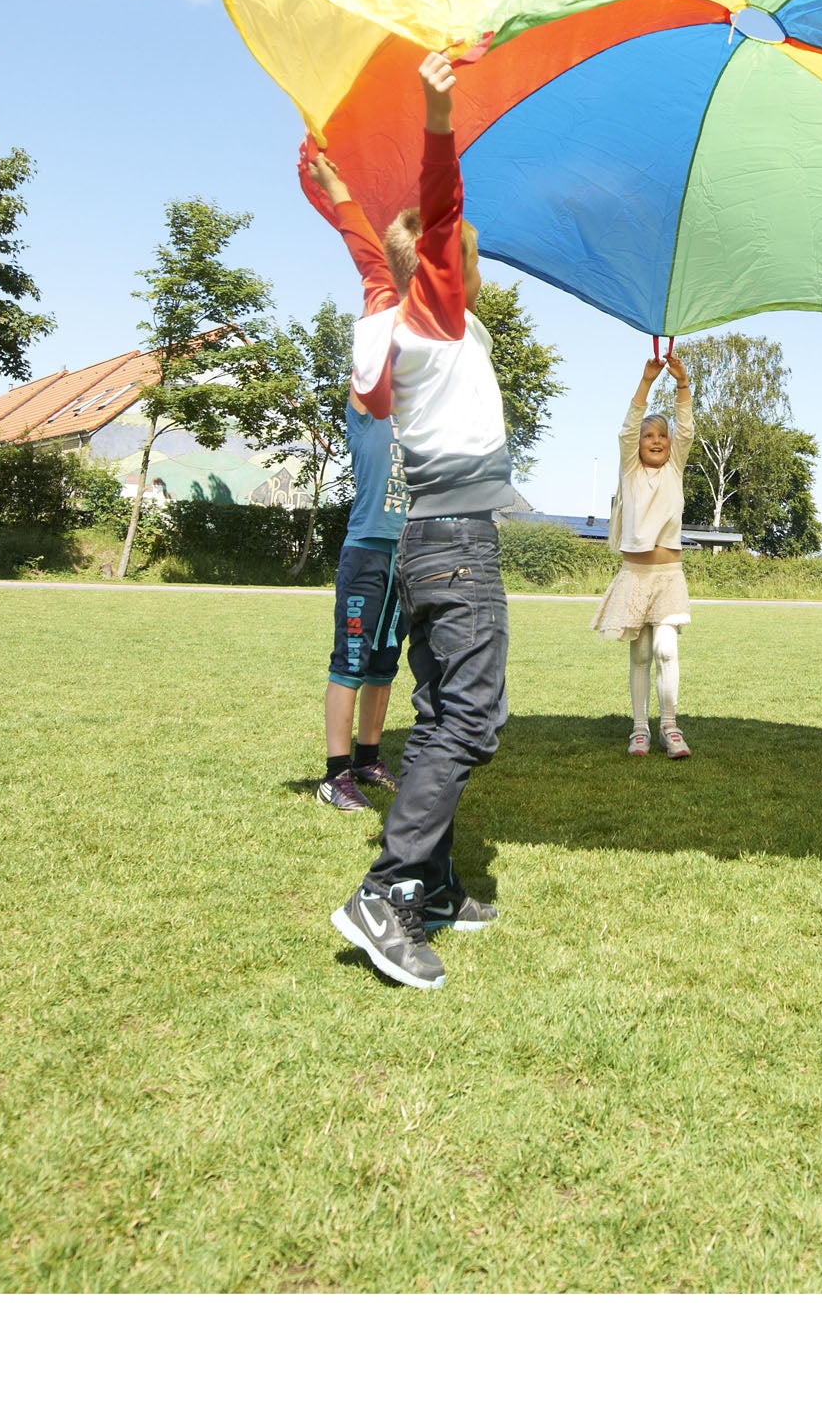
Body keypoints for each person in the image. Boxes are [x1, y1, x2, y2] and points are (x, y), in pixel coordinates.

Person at [326, 51, 514, 992]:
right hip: (456, 545)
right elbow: (435, 215)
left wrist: (339, 205)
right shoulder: (437, 321)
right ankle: (390, 890)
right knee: (473, 717)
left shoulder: (402, 318)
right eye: (461, 256)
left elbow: (379, 259)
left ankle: (434, 886)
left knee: (441, 707)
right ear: (451, 270)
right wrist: (438, 111)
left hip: (427, 542)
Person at [296, 145, 410, 814]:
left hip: (406, 556)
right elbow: (375, 270)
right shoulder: (367, 405)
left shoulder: (416, 415)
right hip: (368, 552)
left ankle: (368, 758)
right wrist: (339, 184)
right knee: (350, 659)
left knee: (384, 665)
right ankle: (333, 771)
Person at [592, 349, 695, 758]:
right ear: (637, 446)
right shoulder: (630, 471)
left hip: (669, 577)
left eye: (662, 437)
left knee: (665, 649)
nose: (656, 441)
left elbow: (685, 427)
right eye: (649, 437)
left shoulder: (674, 470)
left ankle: (669, 727)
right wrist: (648, 381)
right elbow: (627, 427)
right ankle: (640, 730)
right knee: (640, 654)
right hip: (635, 577)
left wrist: (682, 383)